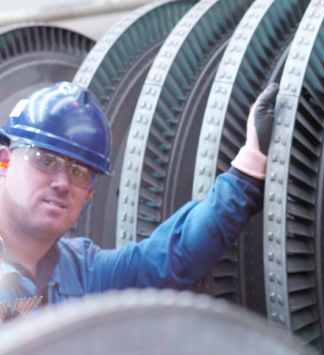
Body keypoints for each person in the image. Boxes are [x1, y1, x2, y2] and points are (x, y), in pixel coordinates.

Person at [0, 81, 278, 314]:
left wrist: (249, 167)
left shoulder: (82, 273)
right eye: (46, 160)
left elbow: (169, 257)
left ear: (90, 192)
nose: (62, 183)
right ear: (4, 161)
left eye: (79, 172)